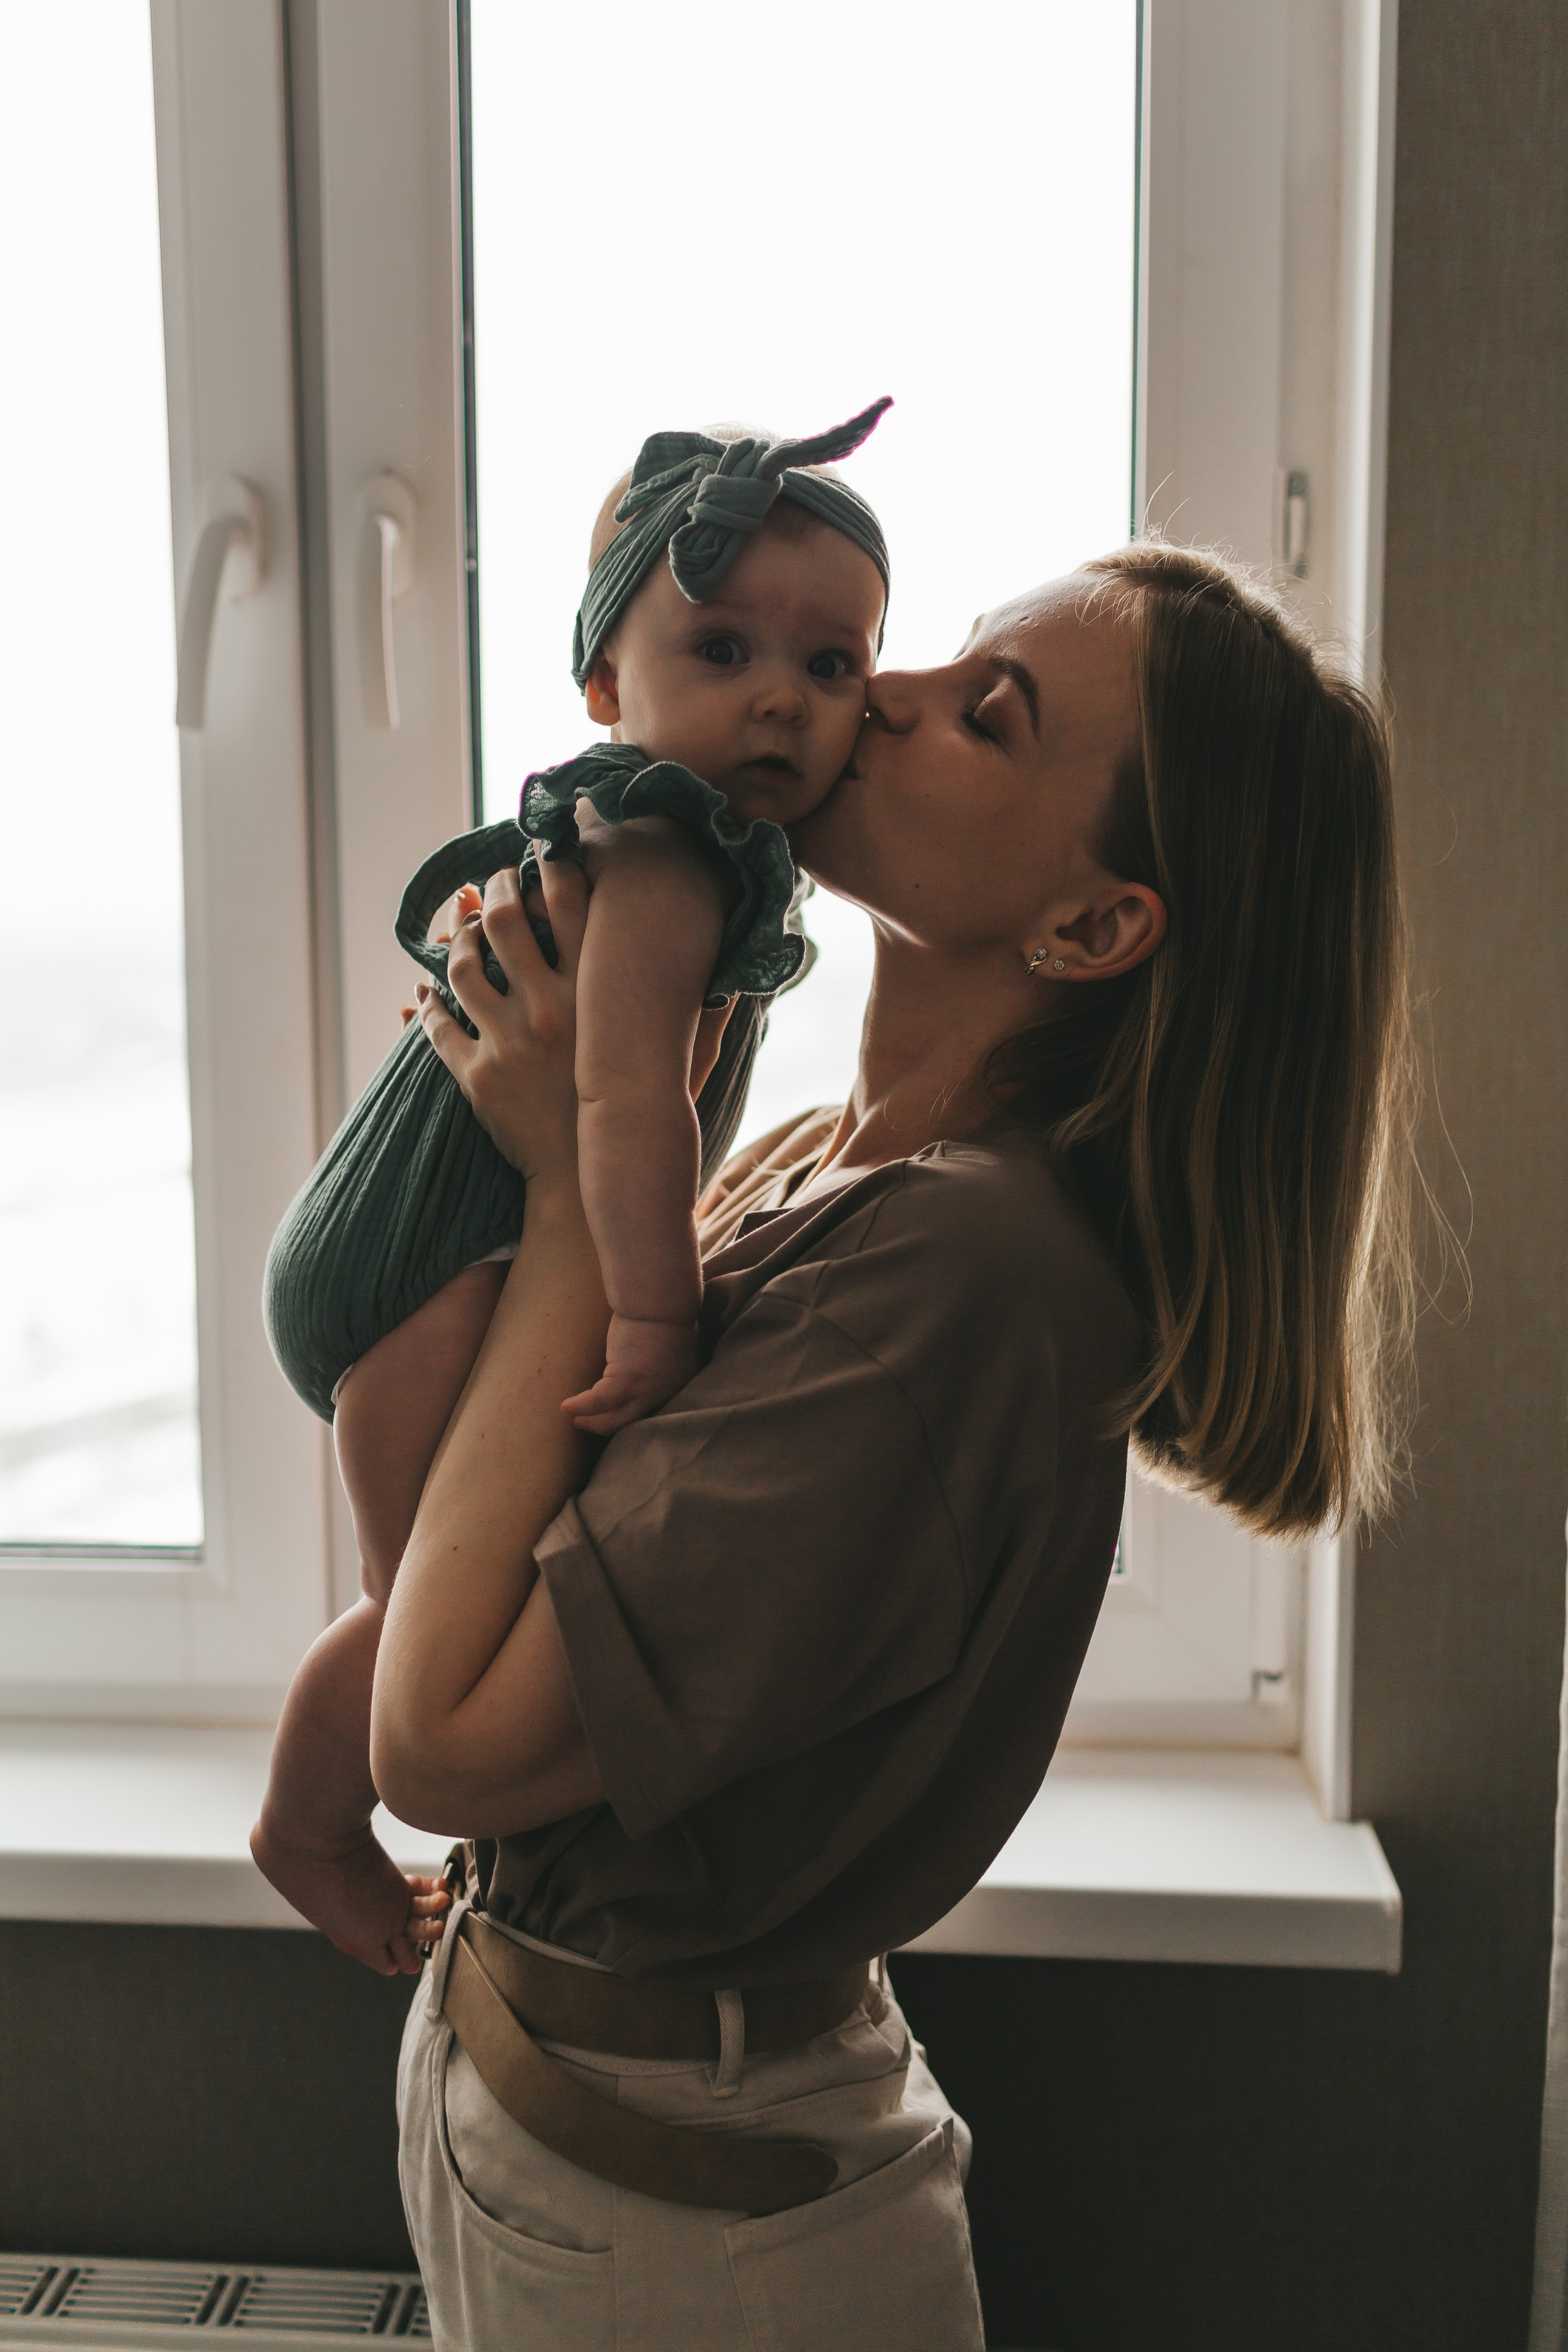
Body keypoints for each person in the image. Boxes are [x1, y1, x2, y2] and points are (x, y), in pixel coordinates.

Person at [370, 541, 1416, 2349]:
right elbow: (496, 1549)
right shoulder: (813, 1163)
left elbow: (439, 1734)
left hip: (685, 2236)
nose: (884, 697)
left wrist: (564, 1193)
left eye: (985, 719)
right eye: (935, 660)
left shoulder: (960, 1275)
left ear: (1094, 929)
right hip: (593, 2138)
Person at [251, 402, 892, 1973]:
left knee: (437, 1593)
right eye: (723, 649)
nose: (778, 702)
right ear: (609, 685)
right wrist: (656, 1313)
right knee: (431, 1618)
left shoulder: (672, 842)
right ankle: (311, 1832)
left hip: (429, 1244)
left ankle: (382, 1825)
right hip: (424, 1258)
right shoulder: (673, 850)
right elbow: (618, 1107)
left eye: (829, 667)